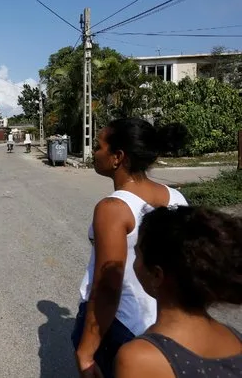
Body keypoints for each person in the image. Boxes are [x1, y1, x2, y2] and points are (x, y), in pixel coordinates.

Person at [72, 118, 189, 378]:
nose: (94, 153)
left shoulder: (113, 209)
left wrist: (87, 350)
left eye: (99, 147)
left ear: (118, 157)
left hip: (120, 325)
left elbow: (108, 285)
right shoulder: (176, 198)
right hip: (164, 327)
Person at [115, 206, 242, 378]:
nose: (135, 263)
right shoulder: (234, 337)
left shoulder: (140, 358)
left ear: (157, 275)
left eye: (137, 254)